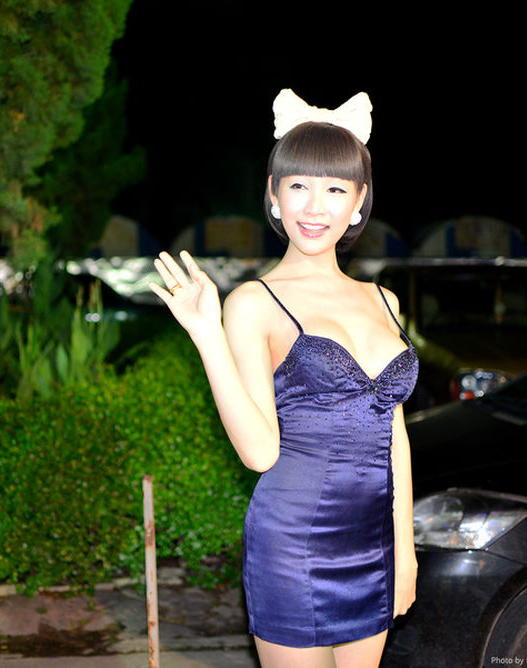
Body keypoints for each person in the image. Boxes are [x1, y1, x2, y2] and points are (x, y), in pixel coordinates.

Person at [149, 89, 418, 668]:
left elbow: (394, 435)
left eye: (336, 189)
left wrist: (406, 552)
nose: (315, 207)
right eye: (298, 185)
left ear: (360, 200)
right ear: (273, 195)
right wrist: (207, 333)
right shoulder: (253, 301)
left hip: (373, 546)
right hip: (294, 545)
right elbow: (259, 453)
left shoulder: (386, 300)